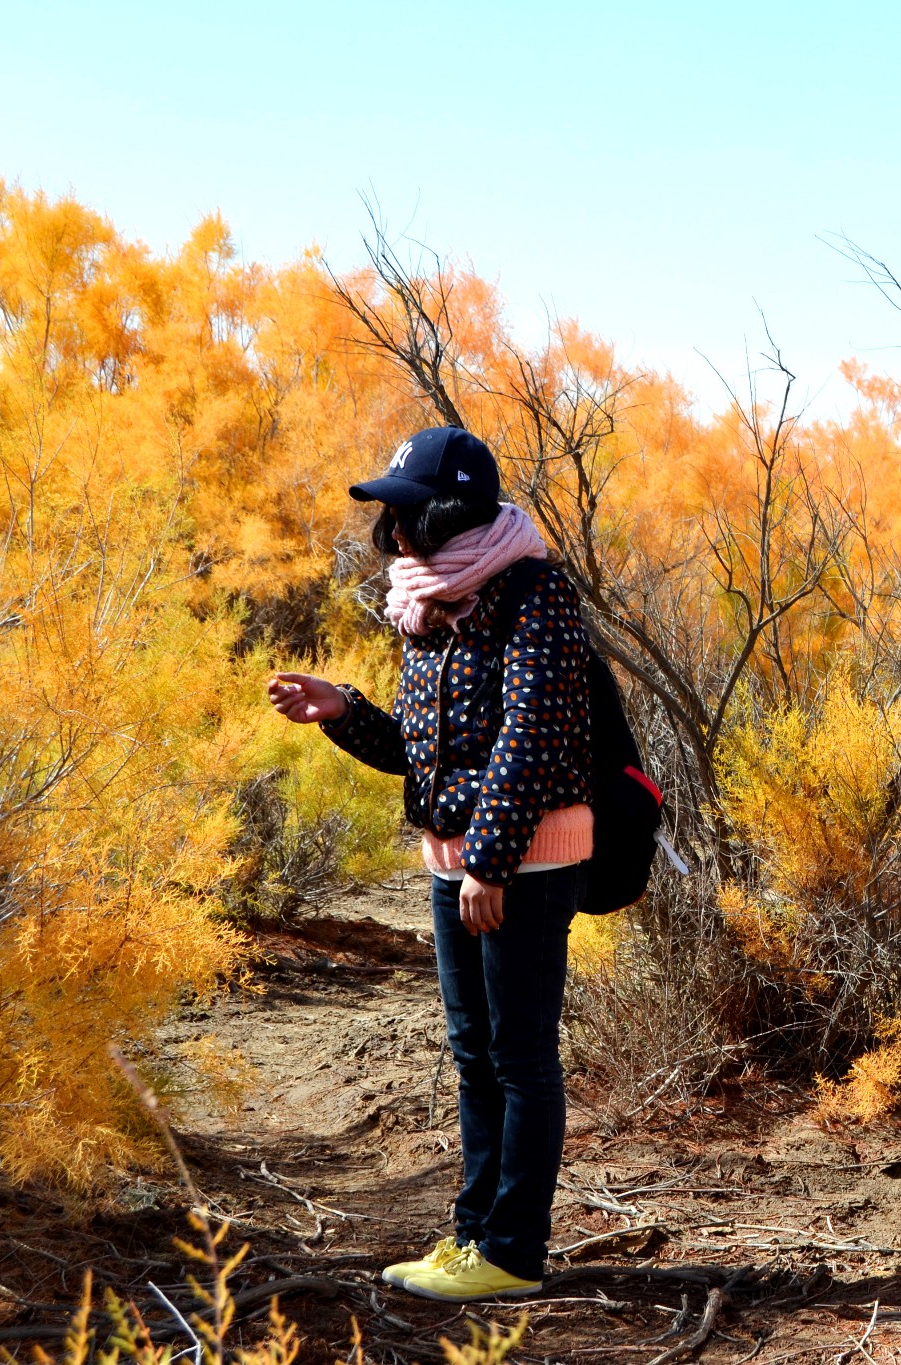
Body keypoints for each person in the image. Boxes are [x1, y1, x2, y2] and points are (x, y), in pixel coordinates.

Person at [266, 426, 593, 1303]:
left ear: (444, 508)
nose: (391, 529)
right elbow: (425, 755)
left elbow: (532, 737)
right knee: (474, 1053)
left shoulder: (531, 591)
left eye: (403, 508)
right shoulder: (429, 603)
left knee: (520, 1056)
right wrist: (343, 710)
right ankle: (472, 1238)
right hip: (461, 864)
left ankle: (514, 1252)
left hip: (522, 861)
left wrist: (489, 860)